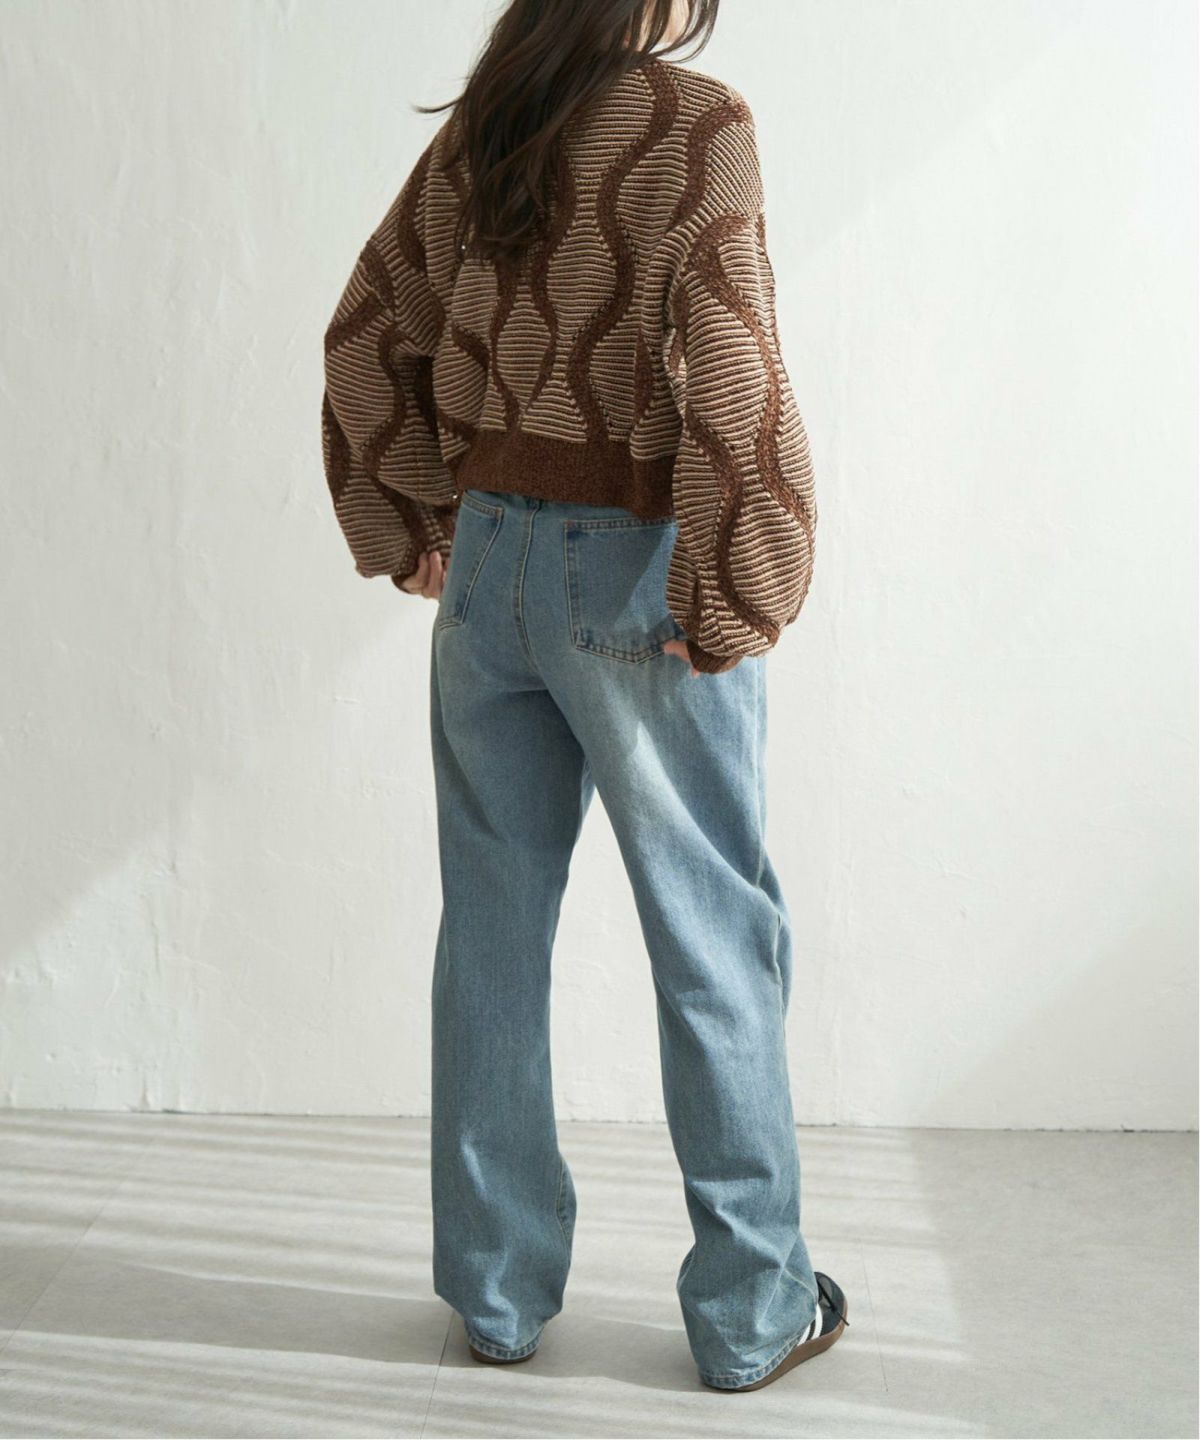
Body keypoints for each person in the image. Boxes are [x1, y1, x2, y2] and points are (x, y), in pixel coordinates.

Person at [320, 0, 847, 1394]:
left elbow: (366, 332)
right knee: (713, 932)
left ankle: (495, 1299)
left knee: (492, 929)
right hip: (635, 575)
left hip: (489, 563)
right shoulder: (697, 123)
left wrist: (415, 518)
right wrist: (737, 589)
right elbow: (730, 363)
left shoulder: (495, 119)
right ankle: (752, 1311)